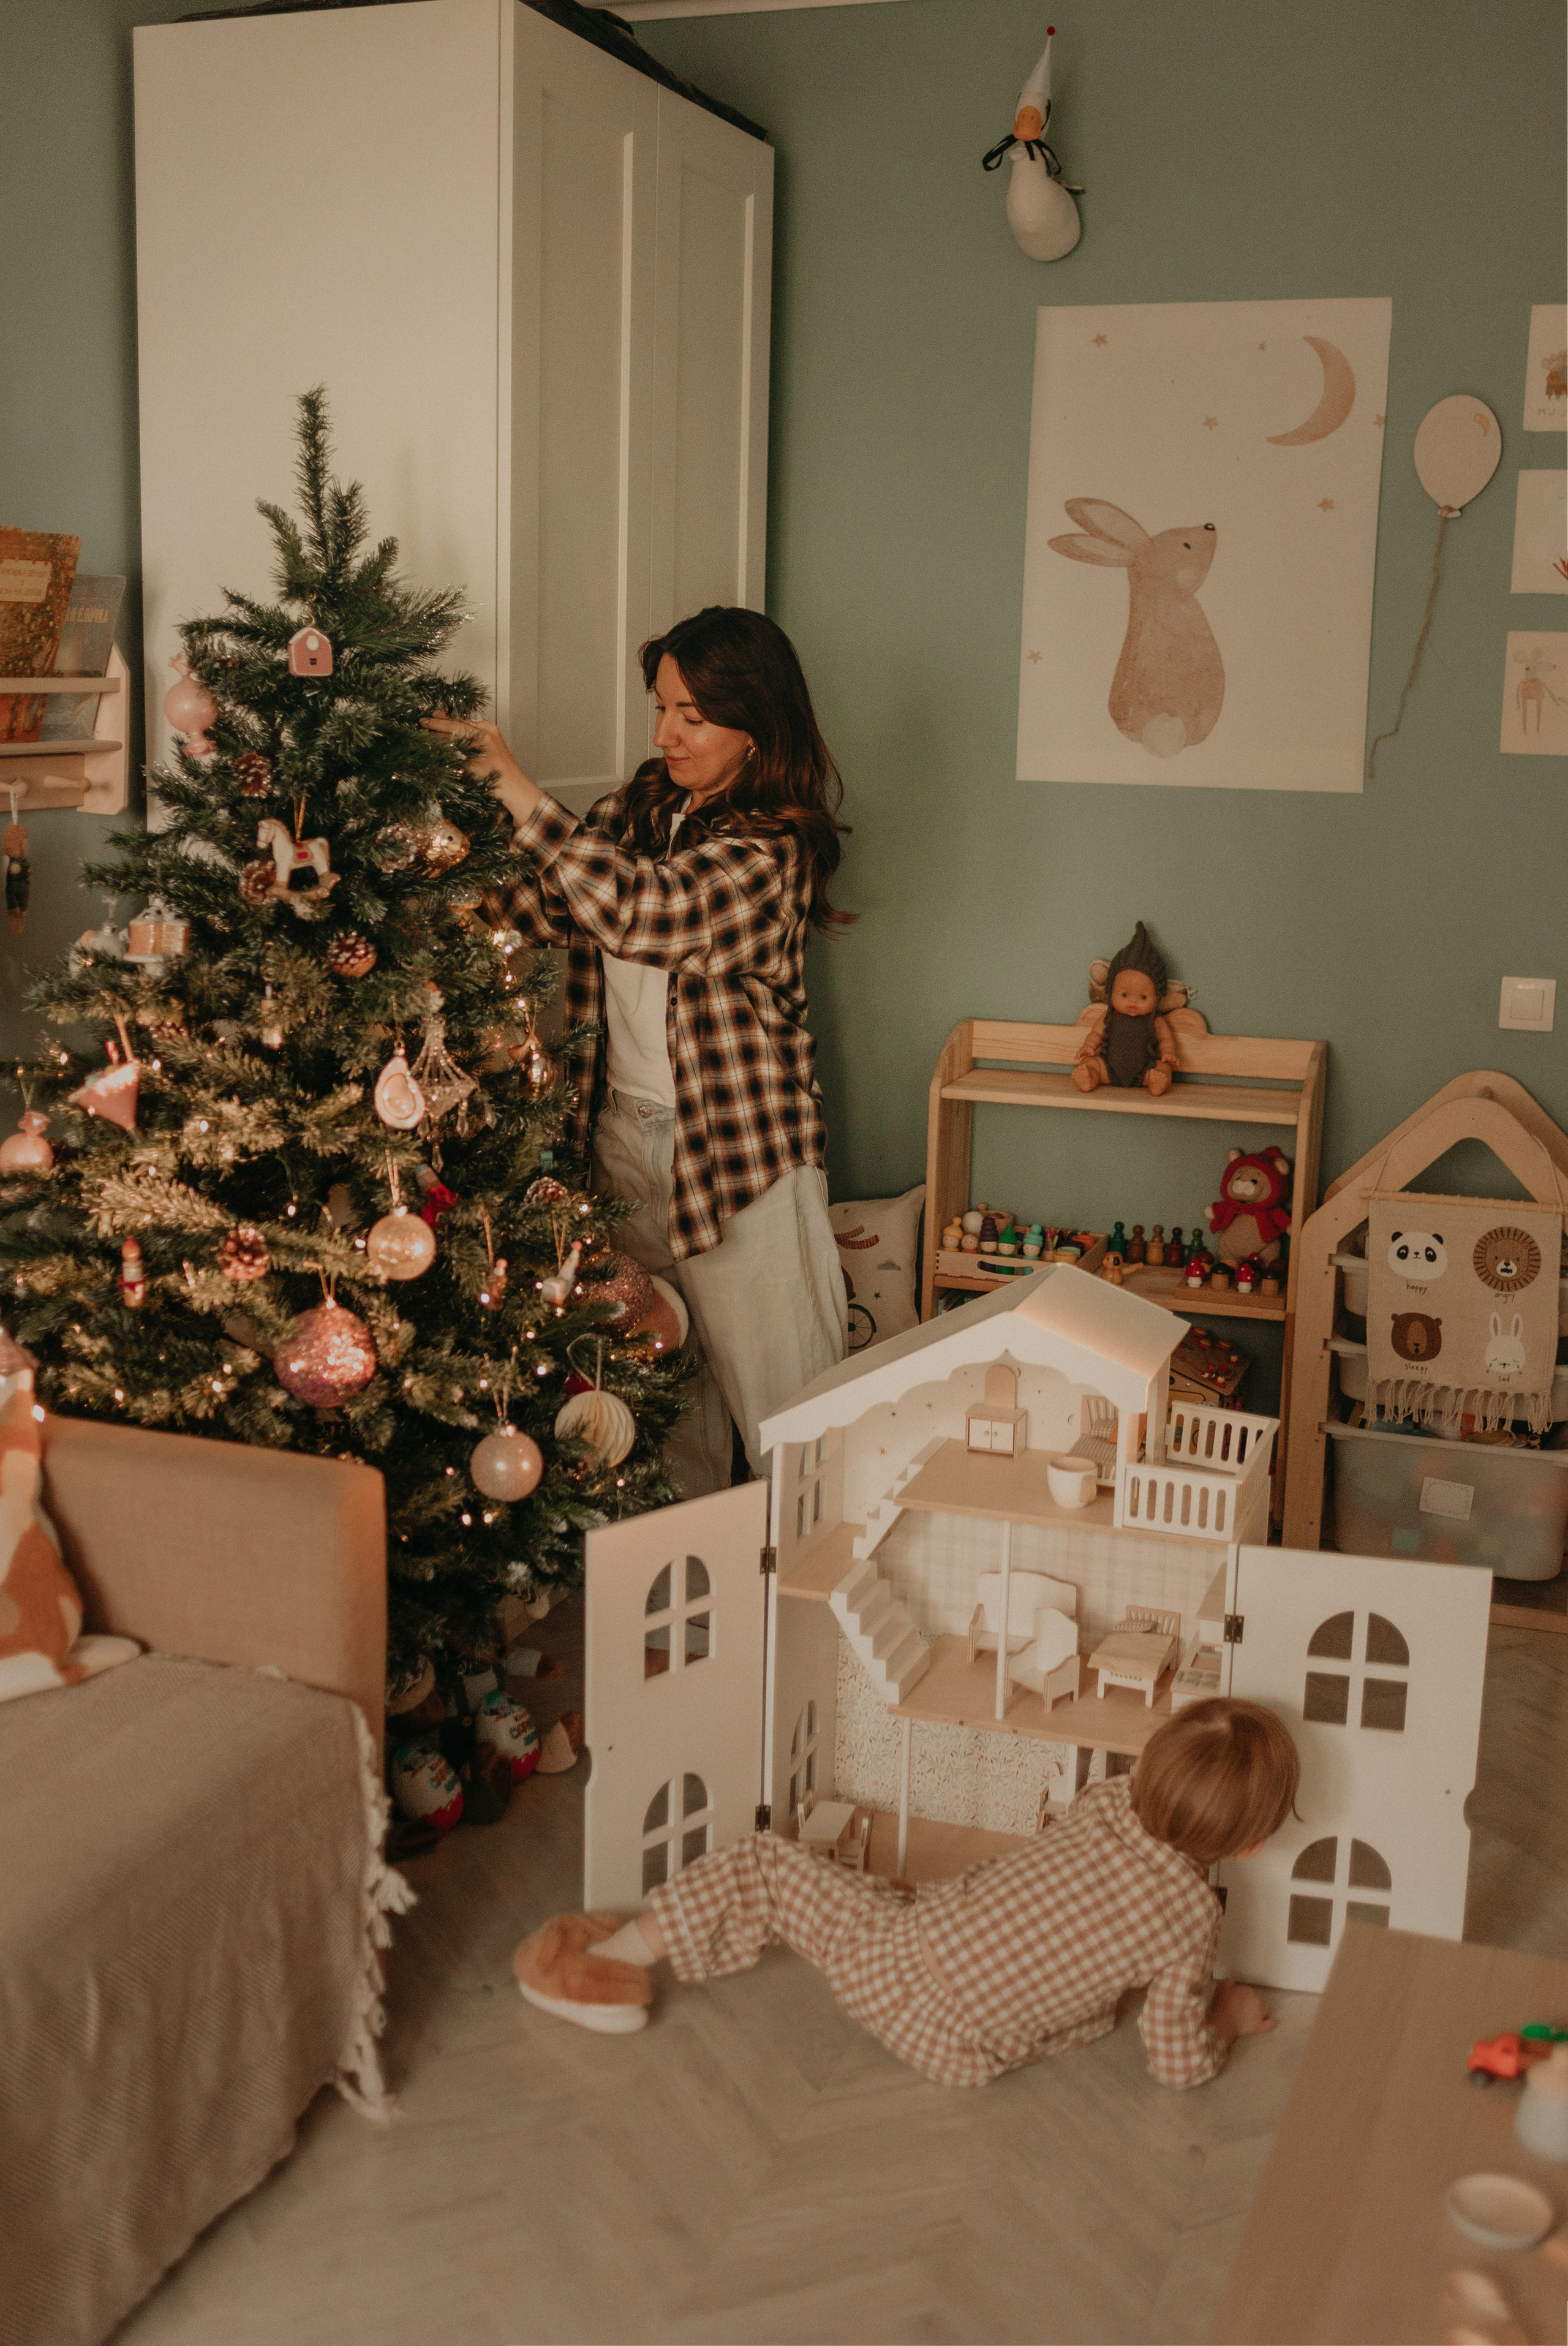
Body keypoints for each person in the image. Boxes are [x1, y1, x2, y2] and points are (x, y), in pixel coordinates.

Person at [428, 606, 850, 1496]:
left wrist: (517, 785)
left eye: (693, 717)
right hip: (619, 1141)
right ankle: (690, 1619)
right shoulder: (635, 814)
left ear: (756, 725)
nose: (666, 734)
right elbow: (548, 910)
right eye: (662, 708)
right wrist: (434, 876)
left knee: (794, 1420)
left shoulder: (776, 849)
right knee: (660, 1408)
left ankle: (818, 1620)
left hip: (738, 1161)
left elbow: (645, 912)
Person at [509, 1698, 1298, 2091]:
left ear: (1151, 1765)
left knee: (763, 1865)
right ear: (1252, 1845)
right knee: (887, 1904)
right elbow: (1175, 2060)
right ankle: (608, 1974)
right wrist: (1224, 2017)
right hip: (966, 2052)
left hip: (898, 1963)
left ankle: (601, 1967)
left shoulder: (1110, 1800)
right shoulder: (1193, 1922)